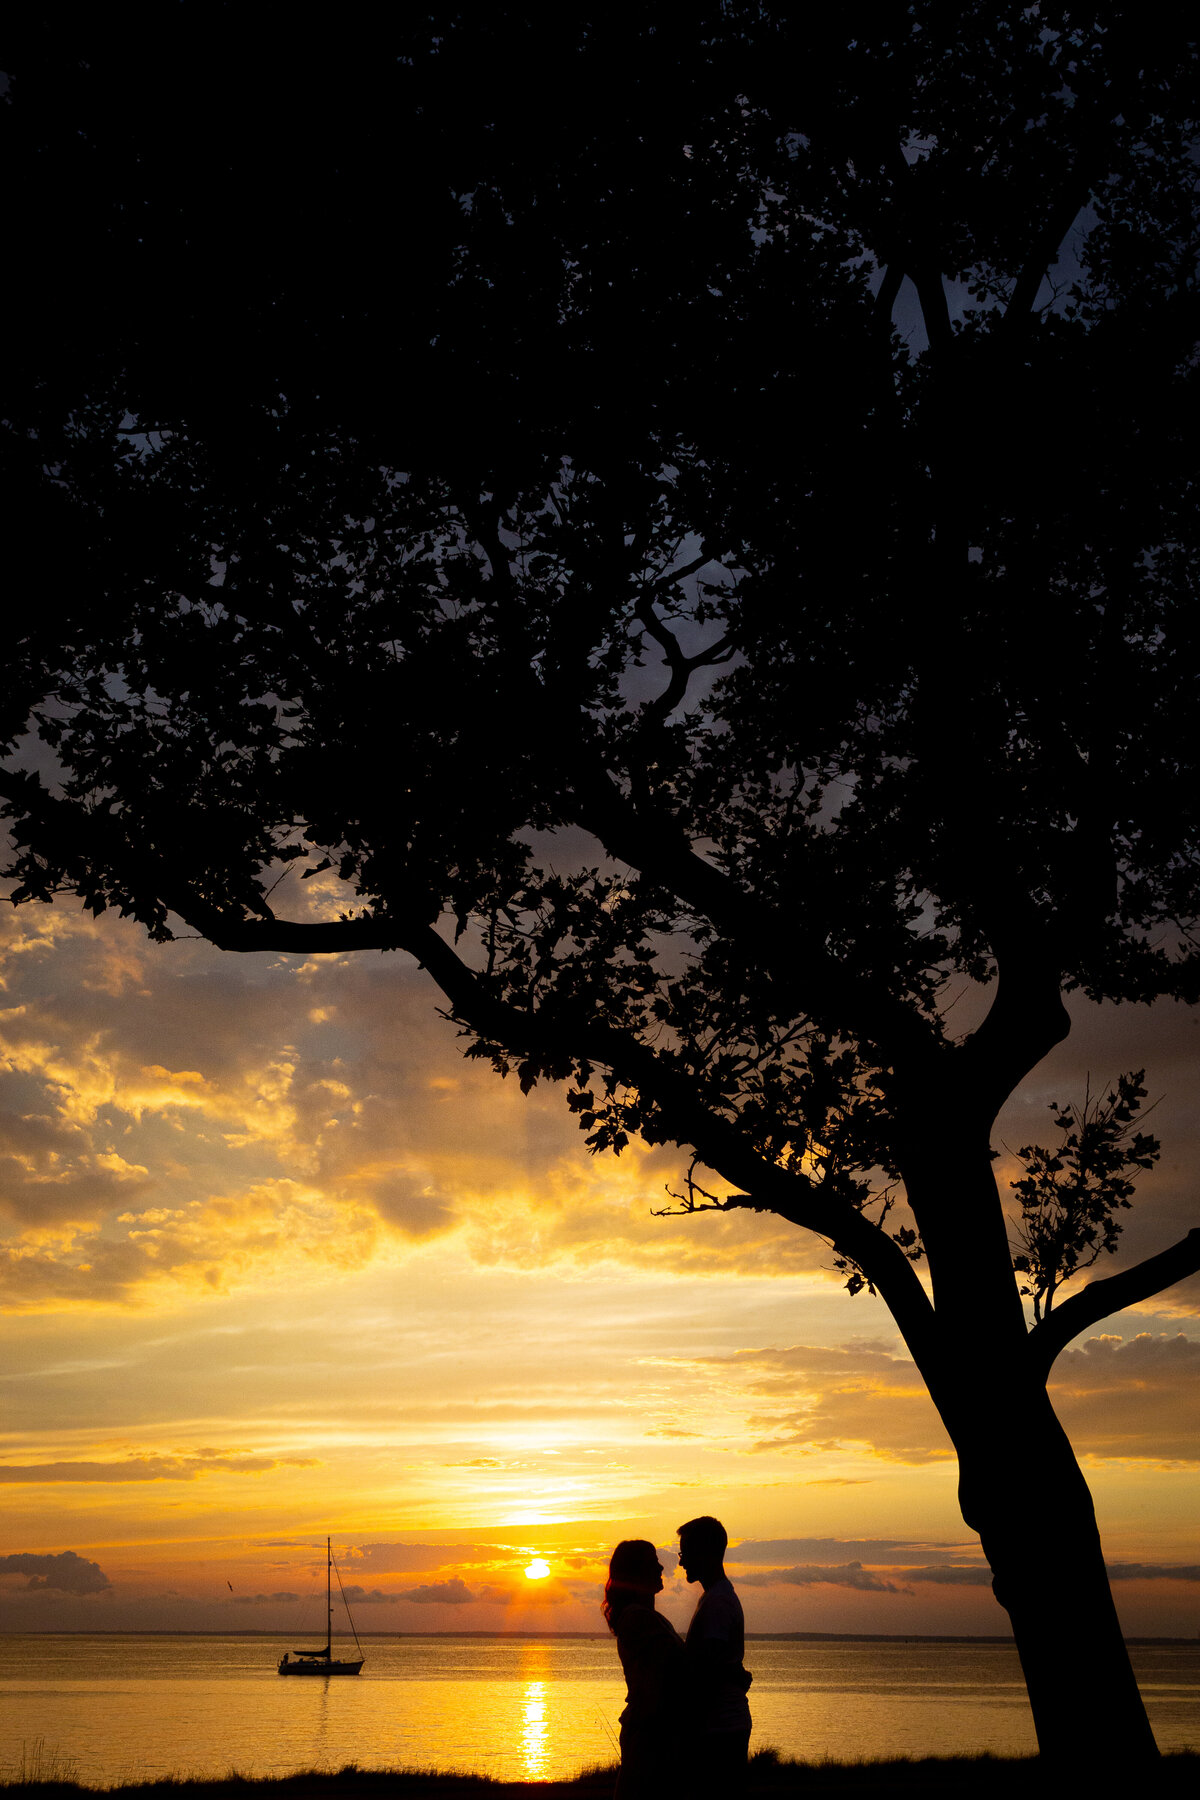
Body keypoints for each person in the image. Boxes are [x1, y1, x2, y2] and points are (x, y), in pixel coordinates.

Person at [603, 1538, 686, 1797]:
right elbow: (663, 1679)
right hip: (651, 1736)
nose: (661, 1569)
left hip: (653, 1732)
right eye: (653, 1563)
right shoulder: (639, 1618)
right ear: (636, 1572)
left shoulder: (644, 1616)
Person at [677, 1516, 752, 1796]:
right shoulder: (715, 1597)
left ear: (705, 1552)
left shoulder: (718, 1602)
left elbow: (706, 1671)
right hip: (720, 1724)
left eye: (685, 1553)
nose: (681, 1562)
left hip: (720, 1728)